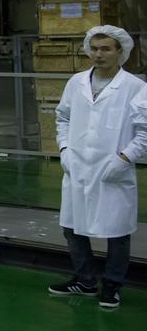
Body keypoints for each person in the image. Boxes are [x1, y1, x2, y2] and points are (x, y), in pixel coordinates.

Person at [49, 25, 147, 310]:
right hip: (77, 166)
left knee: (117, 232)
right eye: (94, 48)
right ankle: (85, 279)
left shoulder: (135, 87)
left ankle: (113, 284)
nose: (98, 54)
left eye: (106, 49)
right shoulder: (77, 82)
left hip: (113, 169)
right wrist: (64, 149)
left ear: (121, 52)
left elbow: (144, 131)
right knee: (72, 227)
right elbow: (62, 118)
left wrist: (125, 158)